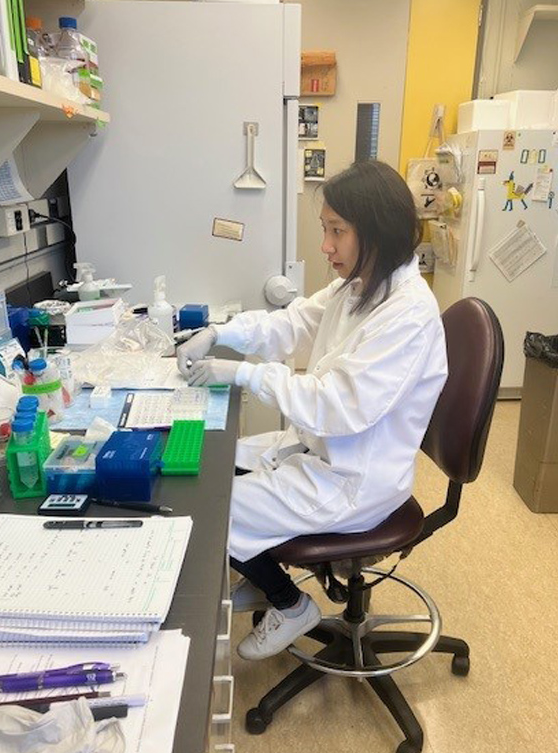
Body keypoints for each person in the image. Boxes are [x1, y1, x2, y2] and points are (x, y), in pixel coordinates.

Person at [177, 159, 448, 662]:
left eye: (337, 231)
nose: (326, 246)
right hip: (321, 451)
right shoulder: (363, 283)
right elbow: (292, 323)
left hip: (355, 477)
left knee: (214, 508)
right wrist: (223, 334)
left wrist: (242, 374)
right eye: (326, 230)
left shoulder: (407, 314)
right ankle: (265, 582)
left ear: (377, 231)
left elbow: (335, 405)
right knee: (216, 465)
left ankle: (290, 603)